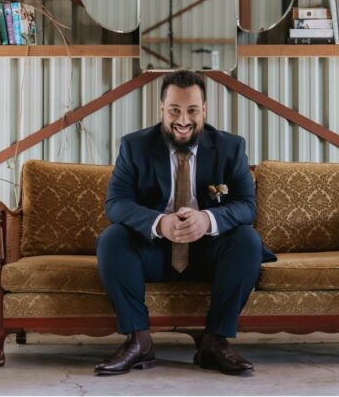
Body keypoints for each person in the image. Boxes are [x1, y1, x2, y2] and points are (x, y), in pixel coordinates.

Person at [94, 70, 275, 376]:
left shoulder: (231, 147)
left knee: (247, 240)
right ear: (161, 109)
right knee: (112, 239)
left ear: (204, 110)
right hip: (154, 252)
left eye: (192, 110)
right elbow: (116, 204)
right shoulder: (134, 146)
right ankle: (139, 341)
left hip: (209, 253)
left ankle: (215, 343)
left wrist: (208, 219)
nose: (183, 120)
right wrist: (159, 223)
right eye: (174, 110)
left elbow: (247, 206)